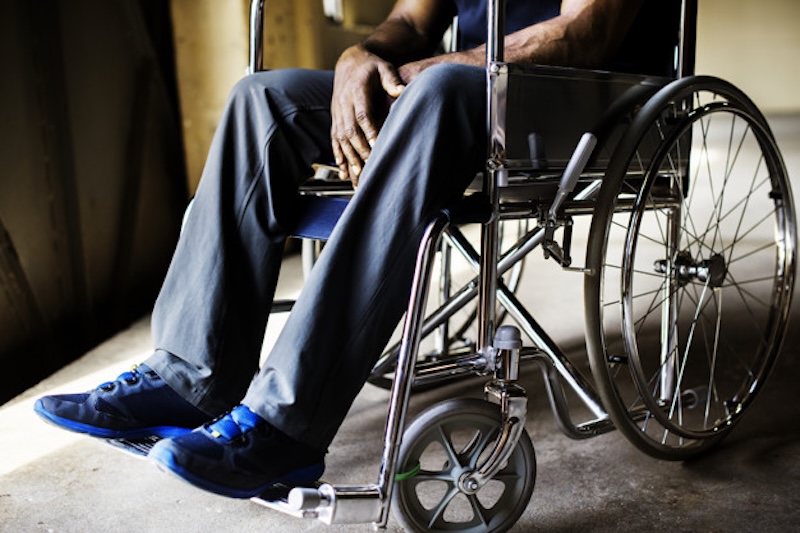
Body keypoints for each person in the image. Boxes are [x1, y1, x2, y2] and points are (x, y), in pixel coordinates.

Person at [34, 0, 642, 499]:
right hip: (451, 84)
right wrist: (364, 55)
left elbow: (581, 34)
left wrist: (437, 69)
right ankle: (189, 375)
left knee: (444, 87)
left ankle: (286, 424)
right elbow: (410, 21)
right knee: (262, 100)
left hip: (572, 97)